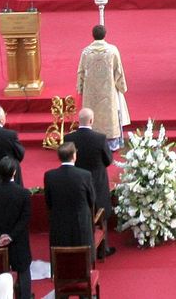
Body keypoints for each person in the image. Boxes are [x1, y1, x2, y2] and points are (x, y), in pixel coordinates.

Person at [63, 109, 114, 259]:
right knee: (100, 212)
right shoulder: (100, 138)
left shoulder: (69, 138)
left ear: (79, 120)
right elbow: (108, 160)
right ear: (91, 121)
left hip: (75, 182)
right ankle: (104, 248)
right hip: (96, 182)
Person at [0, 156, 34, 299]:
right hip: (18, 242)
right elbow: (25, 219)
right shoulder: (23, 193)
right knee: (23, 271)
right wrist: (10, 236)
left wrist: (0, 235)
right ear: (14, 173)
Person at [77, 24, 129, 150]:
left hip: (91, 93)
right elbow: (118, 71)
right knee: (110, 114)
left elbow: (81, 72)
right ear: (105, 35)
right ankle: (111, 143)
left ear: (93, 35)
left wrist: (81, 87)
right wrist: (121, 86)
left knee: (92, 113)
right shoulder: (112, 51)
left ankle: (91, 142)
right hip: (108, 91)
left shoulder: (86, 52)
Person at [44, 142, 96, 255]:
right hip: (80, 223)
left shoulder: (50, 176)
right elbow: (91, 199)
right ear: (74, 156)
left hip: (59, 222)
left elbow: (48, 201)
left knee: (61, 256)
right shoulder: (85, 175)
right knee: (83, 256)